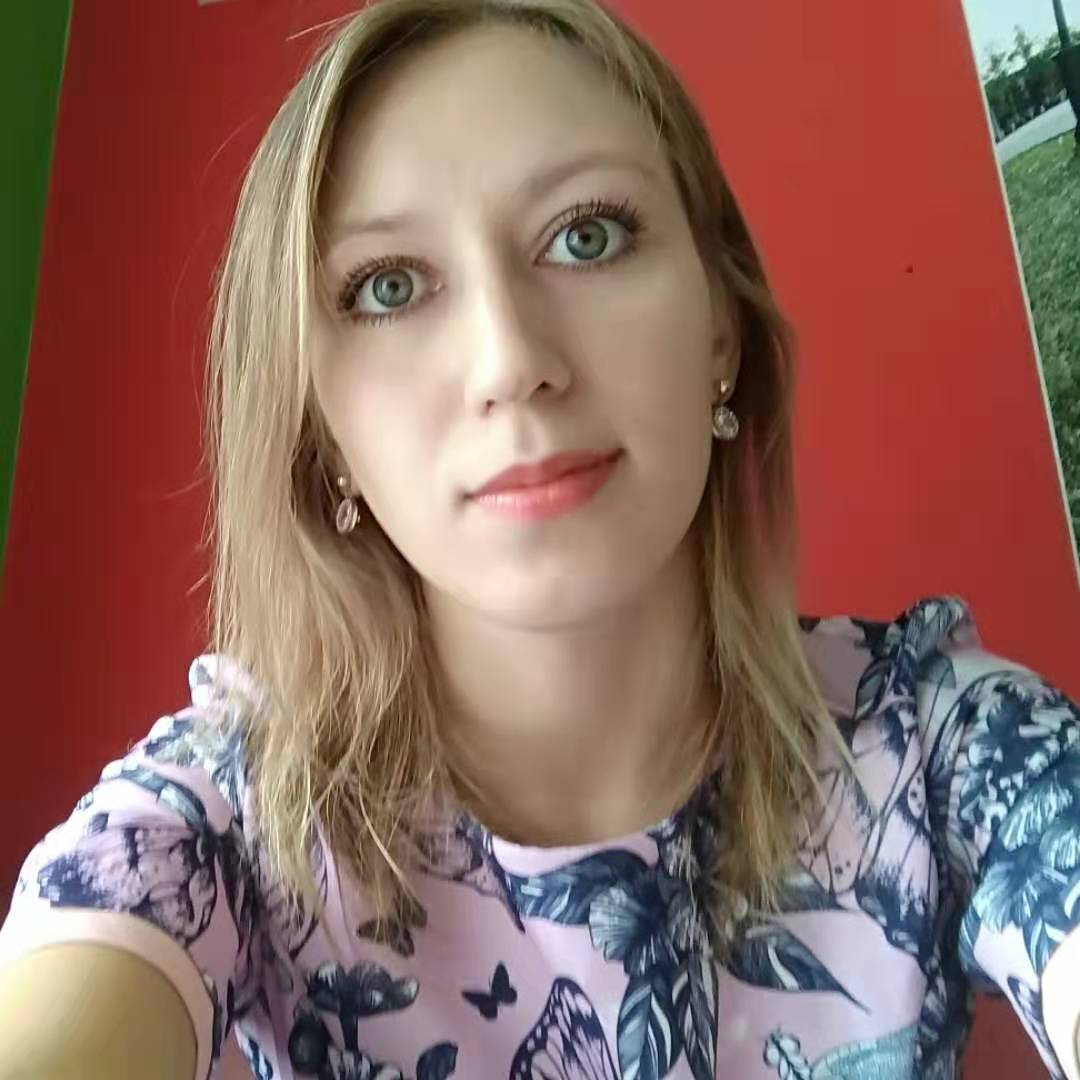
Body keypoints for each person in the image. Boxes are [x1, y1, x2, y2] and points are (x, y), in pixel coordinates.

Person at [1, 0, 1078, 1077]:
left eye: (585, 235)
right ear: (322, 429)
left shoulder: (944, 750)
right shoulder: (221, 827)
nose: (511, 360)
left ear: (720, 327)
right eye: (388, 287)